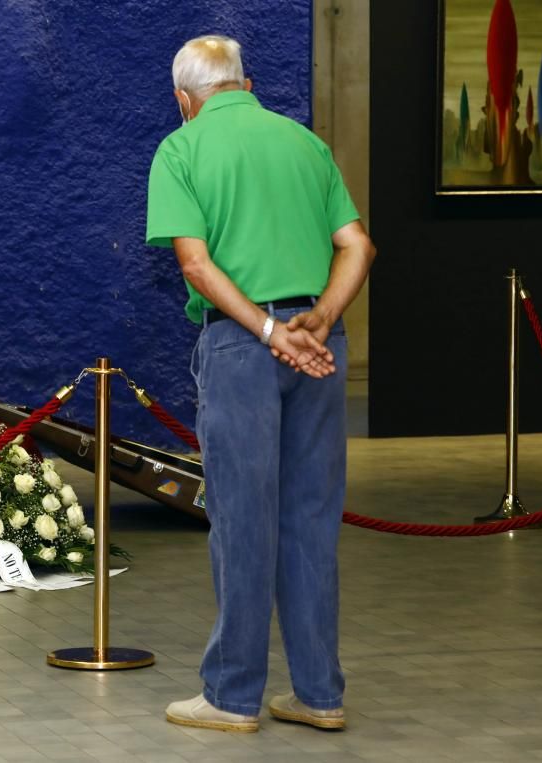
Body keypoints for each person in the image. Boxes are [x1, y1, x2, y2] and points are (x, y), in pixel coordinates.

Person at [144, 35, 376, 733]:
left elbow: (195, 265)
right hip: (320, 345)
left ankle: (232, 694)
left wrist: (270, 332)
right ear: (246, 84)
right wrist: (319, 319)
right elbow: (358, 246)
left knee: (243, 521)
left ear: (184, 99)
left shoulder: (181, 149)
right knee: (311, 520)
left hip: (243, 346)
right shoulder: (306, 143)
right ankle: (320, 694)